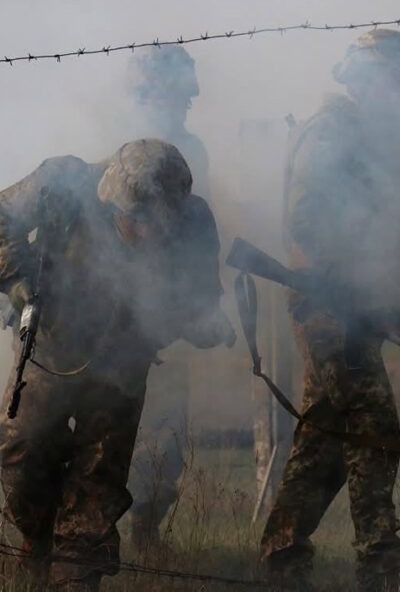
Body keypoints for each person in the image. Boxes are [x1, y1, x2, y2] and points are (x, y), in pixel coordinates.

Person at [261, 6, 400, 592]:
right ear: (372, 83)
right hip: (331, 308)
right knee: (375, 425)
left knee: (325, 441)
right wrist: (353, 279)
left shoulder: (378, 129)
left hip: (352, 307)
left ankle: (280, 559)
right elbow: (307, 219)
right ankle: (381, 567)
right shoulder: (333, 133)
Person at [0, 139, 235, 591]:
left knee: (98, 481)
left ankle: (74, 579)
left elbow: (200, 296)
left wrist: (204, 323)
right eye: (136, 220)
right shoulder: (63, 182)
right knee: (21, 452)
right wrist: (15, 278)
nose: (145, 233)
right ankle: (37, 540)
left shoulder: (194, 222)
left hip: (123, 363)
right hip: (51, 350)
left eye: (156, 224)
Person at [124, 46, 211, 550]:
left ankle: (146, 527)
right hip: (111, 312)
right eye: (179, 90)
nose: (189, 100)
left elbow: (195, 228)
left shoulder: (191, 150)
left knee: (166, 430)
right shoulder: (114, 144)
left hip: (167, 311)